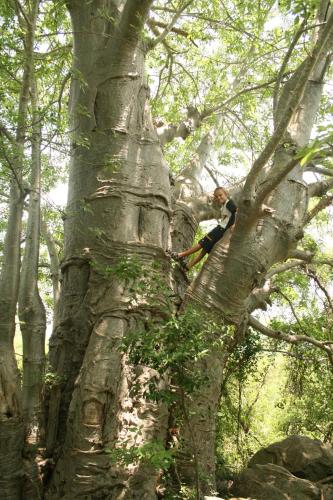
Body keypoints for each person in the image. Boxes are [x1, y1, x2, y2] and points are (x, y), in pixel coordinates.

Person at [170, 187, 237, 271]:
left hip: (220, 230)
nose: (219, 197)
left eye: (220, 195)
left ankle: (180, 255)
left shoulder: (229, 203)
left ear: (226, 194)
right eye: (216, 196)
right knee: (205, 249)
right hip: (222, 231)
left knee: (202, 243)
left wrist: (234, 224)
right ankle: (188, 266)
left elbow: (237, 211)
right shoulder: (224, 205)